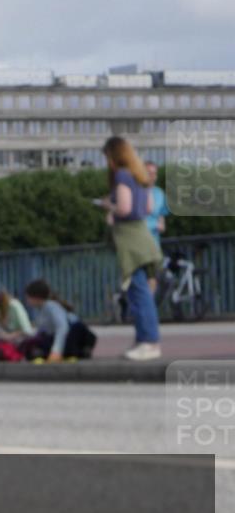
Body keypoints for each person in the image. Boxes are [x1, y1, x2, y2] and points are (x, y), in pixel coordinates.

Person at [101, 136, 162, 361]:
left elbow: (124, 208)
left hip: (130, 243)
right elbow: (148, 208)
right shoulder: (139, 176)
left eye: (107, 156)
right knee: (141, 292)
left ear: (114, 156)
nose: (107, 162)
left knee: (139, 294)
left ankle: (149, 342)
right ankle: (144, 341)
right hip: (144, 238)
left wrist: (109, 205)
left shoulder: (122, 175)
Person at [20, 280, 97, 361]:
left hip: (78, 335)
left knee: (70, 338)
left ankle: (79, 351)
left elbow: (62, 328)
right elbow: (43, 332)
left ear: (36, 297)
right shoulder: (41, 310)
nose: (27, 300)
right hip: (64, 336)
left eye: (28, 297)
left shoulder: (51, 306)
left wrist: (56, 351)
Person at [145, 162, 168, 247]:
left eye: (154, 173)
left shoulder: (159, 193)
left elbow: (162, 223)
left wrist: (159, 225)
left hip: (154, 245)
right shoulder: (135, 193)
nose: (152, 176)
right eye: (149, 173)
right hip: (138, 243)